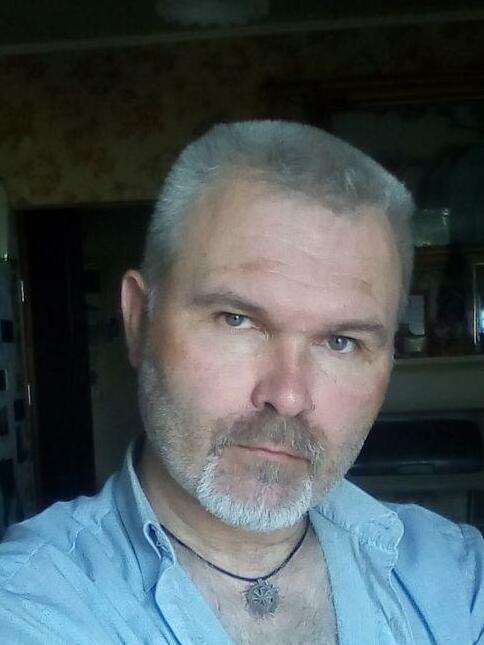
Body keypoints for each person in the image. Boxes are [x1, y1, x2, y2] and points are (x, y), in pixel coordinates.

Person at [0, 120, 482, 644]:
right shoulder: (28, 605)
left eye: (341, 342)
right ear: (139, 320)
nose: (288, 396)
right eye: (237, 320)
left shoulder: (460, 580)